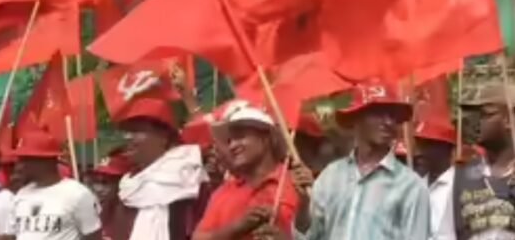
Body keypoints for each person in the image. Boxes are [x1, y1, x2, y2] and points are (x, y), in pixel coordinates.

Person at [291, 82, 431, 239]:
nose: (388, 122)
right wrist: (304, 203)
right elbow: (309, 236)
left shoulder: (411, 187)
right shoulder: (330, 177)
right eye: (378, 113)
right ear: (356, 117)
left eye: (393, 116)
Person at [193, 100, 298, 240]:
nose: (232, 146)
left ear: (265, 138)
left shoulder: (296, 186)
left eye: (240, 136)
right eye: (229, 141)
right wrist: (238, 227)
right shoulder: (223, 193)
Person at [114, 98, 209, 240]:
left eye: (136, 130)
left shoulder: (188, 178)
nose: (127, 137)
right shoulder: (128, 188)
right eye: (126, 132)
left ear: (164, 136)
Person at [5, 129, 102, 240]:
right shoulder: (22, 194)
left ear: (45, 161)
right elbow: (12, 237)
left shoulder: (77, 193)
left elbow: (94, 237)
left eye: (24, 160)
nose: (18, 166)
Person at [454, 82, 515, 239]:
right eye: (473, 115)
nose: (475, 122)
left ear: (508, 120)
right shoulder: (459, 176)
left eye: (485, 115)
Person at [412, 119, 457, 240]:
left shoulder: (460, 187)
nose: (417, 153)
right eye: (417, 145)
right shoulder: (414, 187)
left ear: (445, 148)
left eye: (425, 145)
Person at [88, 149, 130, 240]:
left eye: (105, 183)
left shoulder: (134, 214)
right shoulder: (99, 208)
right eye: (95, 181)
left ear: (123, 182)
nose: (98, 189)